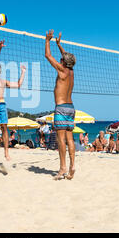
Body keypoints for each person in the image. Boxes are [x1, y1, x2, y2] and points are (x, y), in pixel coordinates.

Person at [0, 40, 26, 162]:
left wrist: (23, 72)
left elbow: (18, 85)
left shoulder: (3, 81)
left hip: (1, 103)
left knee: (4, 127)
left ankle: (6, 152)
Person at [45, 30, 76, 180]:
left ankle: (63, 167)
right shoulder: (71, 71)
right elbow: (67, 58)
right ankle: (72, 166)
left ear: (63, 62)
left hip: (61, 108)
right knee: (70, 139)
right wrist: (59, 45)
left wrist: (47, 41)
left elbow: (48, 56)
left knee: (60, 140)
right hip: (71, 108)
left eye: (61, 59)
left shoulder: (62, 71)